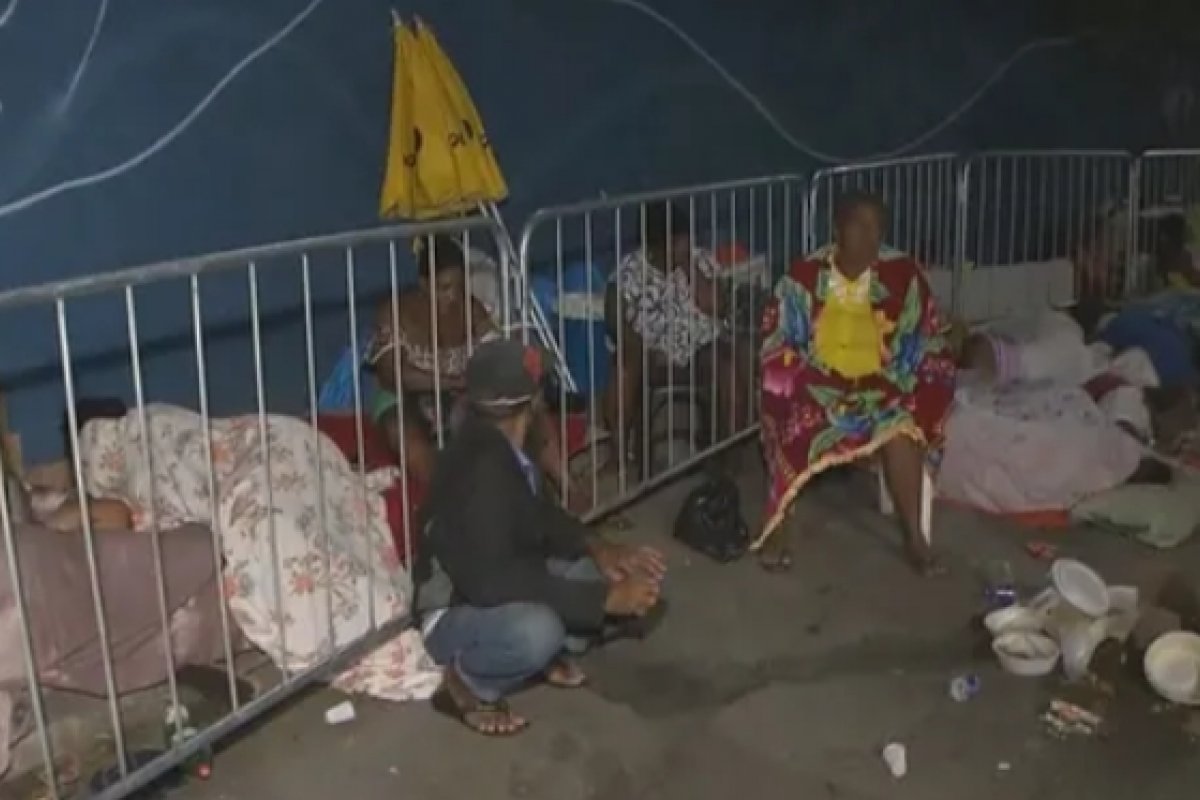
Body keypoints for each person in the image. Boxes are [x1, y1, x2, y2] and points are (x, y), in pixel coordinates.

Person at [416, 338, 666, 736]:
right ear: (530, 404)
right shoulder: (483, 469)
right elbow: (493, 583)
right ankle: (465, 684)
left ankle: (540, 658)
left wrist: (597, 547)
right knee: (540, 629)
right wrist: (602, 601)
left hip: (499, 581)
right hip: (453, 609)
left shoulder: (497, 445)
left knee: (596, 577)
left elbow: (540, 517)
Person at [757, 192, 956, 575]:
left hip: (882, 385)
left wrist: (902, 381)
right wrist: (803, 381)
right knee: (790, 411)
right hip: (817, 386)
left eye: (877, 229)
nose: (870, 238)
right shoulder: (803, 277)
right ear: (836, 229)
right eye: (859, 226)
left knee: (899, 426)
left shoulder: (902, 274)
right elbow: (777, 342)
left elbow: (927, 335)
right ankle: (779, 524)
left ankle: (915, 538)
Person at [366, 236, 588, 510]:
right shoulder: (394, 314)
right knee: (401, 429)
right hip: (404, 395)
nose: (453, 296)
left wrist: (524, 355)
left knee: (526, 403)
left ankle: (568, 486)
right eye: (444, 287)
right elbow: (393, 375)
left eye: (459, 286)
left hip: (458, 392)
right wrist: (454, 381)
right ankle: (452, 503)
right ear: (424, 284)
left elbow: (494, 343)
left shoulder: (469, 307)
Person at [603, 201, 753, 476]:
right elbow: (616, 323)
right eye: (675, 242)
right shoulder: (629, 272)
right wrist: (644, 349)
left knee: (728, 365)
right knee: (624, 365)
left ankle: (731, 453)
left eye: (685, 239)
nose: (683, 246)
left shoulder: (702, 260)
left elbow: (718, 307)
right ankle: (619, 455)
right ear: (655, 245)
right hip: (649, 351)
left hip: (700, 346)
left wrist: (689, 268)